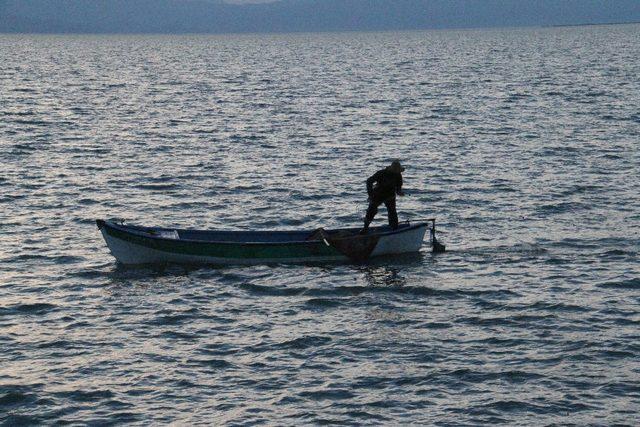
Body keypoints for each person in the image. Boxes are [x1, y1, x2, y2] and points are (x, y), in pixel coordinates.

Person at [361, 160, 405, 234]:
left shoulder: (398, 175)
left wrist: (399, 192)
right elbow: (369, 181)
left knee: (392, 212)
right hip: (378, 194)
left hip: (390, 195)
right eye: (396, 171)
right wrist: (370, 194)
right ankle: (365, 229)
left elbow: (398, 187)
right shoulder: (381, 173)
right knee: (371, 211)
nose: (398, 172)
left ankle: (394, 229)